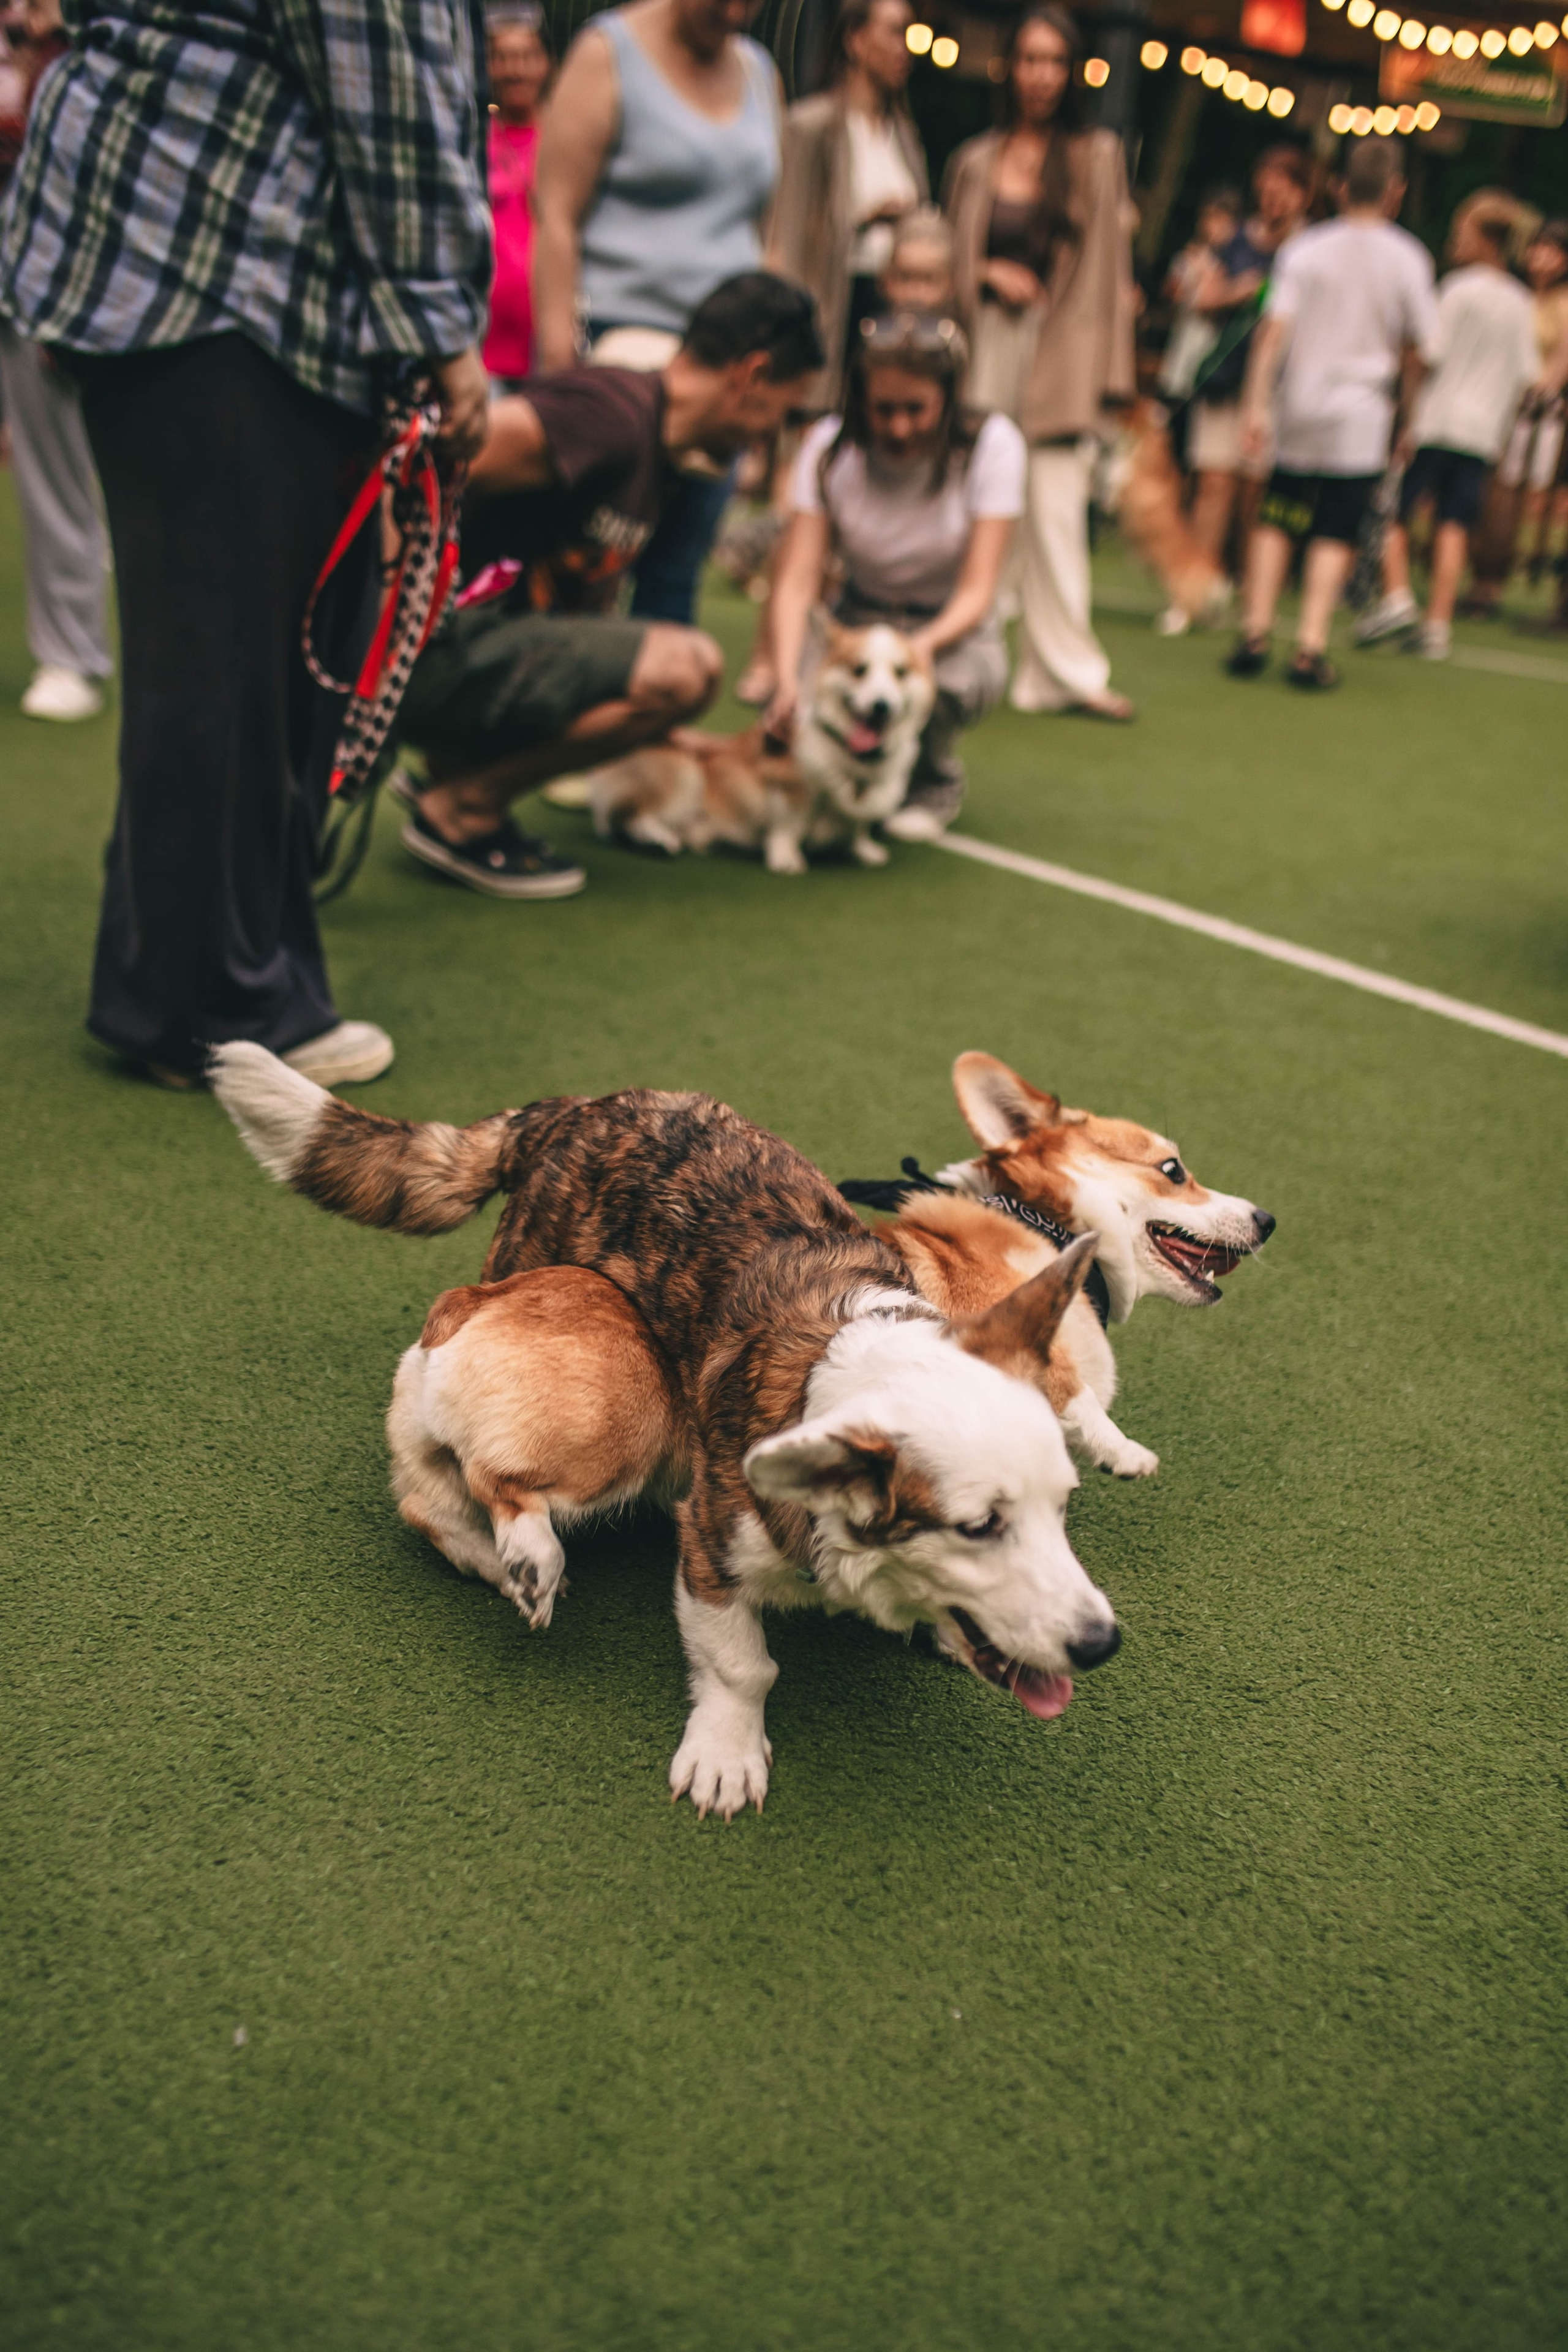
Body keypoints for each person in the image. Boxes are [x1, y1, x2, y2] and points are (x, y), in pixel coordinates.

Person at [0, 0, 491, 1090]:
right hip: (229, 274)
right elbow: (388, 84)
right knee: (229, 668)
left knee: (233, 661)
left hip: (180, 253)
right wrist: (443, 331)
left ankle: (215, 969)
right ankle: (207, 1005)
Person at [395, 273, 824, 892]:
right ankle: (462, 808)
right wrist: (382, 631)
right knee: (691, 666)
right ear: (751, 375)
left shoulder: (662, 452)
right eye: (780, 411)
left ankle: (458, 767)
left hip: (474, 651)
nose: (767, 436)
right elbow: (421, 464)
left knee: (649, 664)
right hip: (420, 652)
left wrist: (662, 731)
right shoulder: (607, 416)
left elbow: (580, 625)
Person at [531, 0, 781, 627]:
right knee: (586, 568)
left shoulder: (757, 70)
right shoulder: (607, 53)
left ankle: (650, 717)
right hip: (620, 360)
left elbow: (763, 225)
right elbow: (556, 216)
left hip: (724, 370)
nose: (734, 13)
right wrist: (559, 363)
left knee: (676, 572)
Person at [765, 309, 1025, 842]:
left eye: (917, 409)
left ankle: (932, 781)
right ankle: (833, 787)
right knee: (814, 698)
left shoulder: (993, 445)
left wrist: (919, 650)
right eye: (884, 409)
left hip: (947, 624)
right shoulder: (827, 447)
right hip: (858, 617)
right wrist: (787, 677)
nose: (900, 427)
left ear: (948, 400)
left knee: (933, 687)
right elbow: (796, 581)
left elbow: (979, 589)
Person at [944, 4, 1137, 722]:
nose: (1041, 76)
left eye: (1055, 61)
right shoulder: (975, 159)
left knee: (1055, 512)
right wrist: (986, 273)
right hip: (985, 344)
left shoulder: (1097, 157)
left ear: (1073, 71)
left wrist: (1111, 383)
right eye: (1029, 59)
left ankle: (1068, 673)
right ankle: (970, 648)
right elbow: (950, 261)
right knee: (980, 504)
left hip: (1059, 352)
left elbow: (1109, 280)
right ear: (1010, 67)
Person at [1226, 137, 1437, 691]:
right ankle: (1310, 644)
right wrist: (1408, 419)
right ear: (1397, 191)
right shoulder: (1409, 257)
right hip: (1361, 413)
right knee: (1335, 528)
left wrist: (1255, 405)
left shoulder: (1306, 248)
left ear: (1341, 186)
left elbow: (1273, 333)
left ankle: (1255, 629)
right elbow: (1420, 352)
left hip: (1299, 403)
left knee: (1280, 513)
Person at [1355, 195, 1535, 661]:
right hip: (1481, 433)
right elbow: (1526, 375)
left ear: (1485, 239)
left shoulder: (1457, 290)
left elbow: (1428, 354)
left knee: (1397, 511)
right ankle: (1438, 623)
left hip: (1438, 421)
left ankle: (1396, 596)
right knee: (1453, 522)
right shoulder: (1520, 301)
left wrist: (1406, 412)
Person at [0, 0, 111, 722]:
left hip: (61, 280)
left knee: (62, 473)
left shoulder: (92, 54)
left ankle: (73, 652)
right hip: (21, 272)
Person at [767, 0, 929, 409]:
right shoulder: (811, 127)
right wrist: (864, 221)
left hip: (891, 319)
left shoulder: (905, 136)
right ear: (855, 39)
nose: (904, 48)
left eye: (909, 35)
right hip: (829, 313)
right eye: (894, 32)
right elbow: (786, 237)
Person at [1183, 145, 1313, 570]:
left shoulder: (1312, 250)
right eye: (1265, 191)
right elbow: (1202, 299)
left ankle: (1245, 581)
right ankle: (1198, 586)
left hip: (1281, 383)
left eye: (1282, 192)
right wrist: (1240, 291)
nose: (1272, 201)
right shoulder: (1237, 242)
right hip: (1227, 377)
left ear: (1302, 194)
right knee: (1213, 483)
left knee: (1254, 489)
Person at [1464, 217, 1568, 615]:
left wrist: (1545, 391)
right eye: (1537, 247)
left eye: (1551, 250)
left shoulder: (1561, 303)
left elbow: (1561, 357)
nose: (1540, 257)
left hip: (1540, 414)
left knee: (1522, 495)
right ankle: (1485, 577)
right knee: (1496, 493)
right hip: (1504, 404)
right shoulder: (1522, 297)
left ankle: (1507, 574)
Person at [483, 1, 552, 390]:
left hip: (546, 346)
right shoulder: (475, 140)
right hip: (484, 351)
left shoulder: (565, 140)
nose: (515, 69)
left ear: (546, 63)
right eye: (504, 58)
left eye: (526, 57)